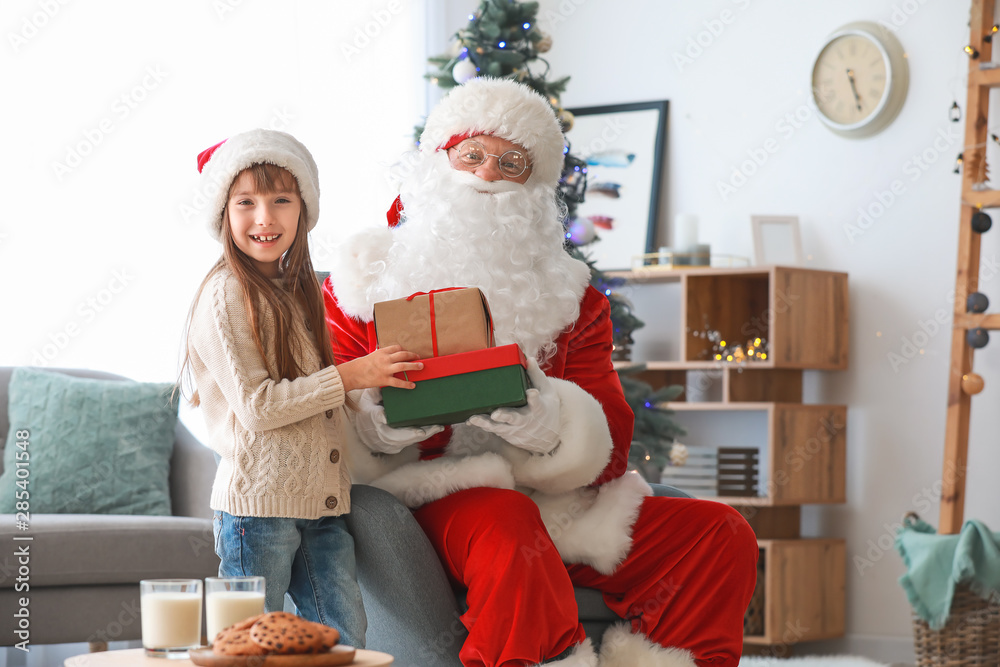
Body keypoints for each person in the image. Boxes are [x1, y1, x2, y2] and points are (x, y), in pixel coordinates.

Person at [324, 79, 758, 667]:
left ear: (535, 187)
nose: (486, 175)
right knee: (508, 524)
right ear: (436, 163)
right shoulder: (359, 282)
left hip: (554, 502)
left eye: (511, 163)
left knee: (718, 531)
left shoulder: (571, 297)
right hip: (427, 501)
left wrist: (550, 424)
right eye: (470, 155)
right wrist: (377, 427)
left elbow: (612, 442)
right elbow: (322, 410)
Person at [180, 128, 426, 649]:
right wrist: (353, 375)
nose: (264, 218)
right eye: (245, 202)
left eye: (281, 201)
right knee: (250, 647)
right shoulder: (226, 296)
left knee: (345, 641)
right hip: (256, 511)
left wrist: (380, 386)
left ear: (303, 212)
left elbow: (319, 394)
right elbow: (260, 406)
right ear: (223, 214)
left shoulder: (299, 292)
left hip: (322, 503)